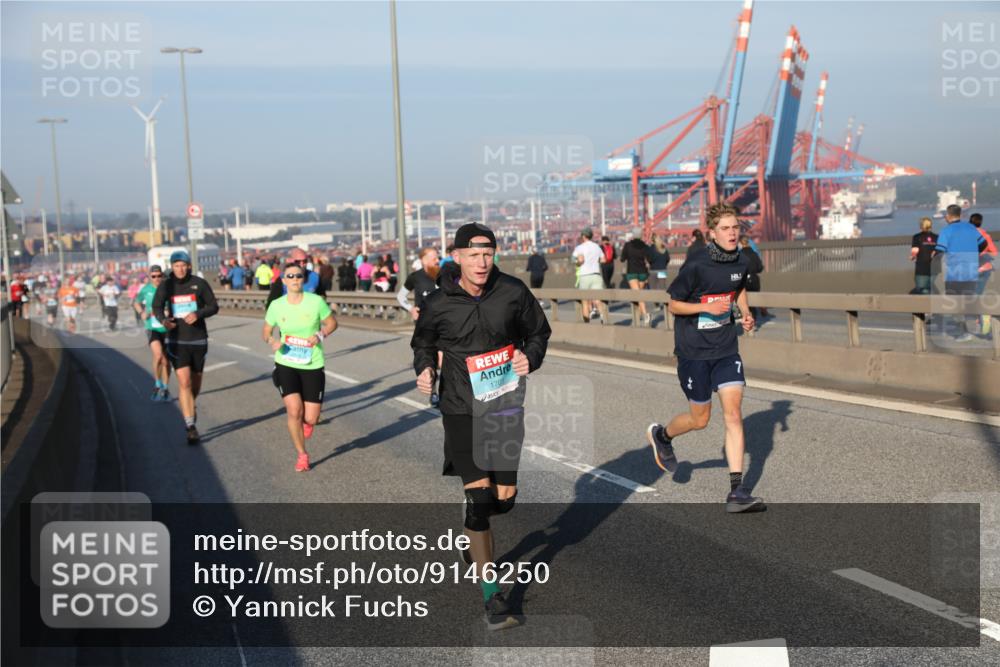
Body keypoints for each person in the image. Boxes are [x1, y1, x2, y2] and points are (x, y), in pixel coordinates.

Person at [411, 222, 551, 630]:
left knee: (503, 499)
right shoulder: (438, 302)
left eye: (488, 254)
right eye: (473, 255)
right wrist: (425, 369)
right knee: (478, 500)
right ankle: (493, 596)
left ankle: (473, 537)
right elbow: (423, 342)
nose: (481, 262)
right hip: (459, 407)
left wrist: (530, 357)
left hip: (504, 406)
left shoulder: (512, 292)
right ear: (457, 257)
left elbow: (538, 332)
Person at [646, 202, 762, 513]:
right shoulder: (697, 263)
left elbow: (738, 287)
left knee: (733, 414)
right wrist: (705, 308)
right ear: (712, 233)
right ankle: (662, 436)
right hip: (694, 351)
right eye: (725, 228)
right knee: (700, 420)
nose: (732, 233)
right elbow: (674, 305)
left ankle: (737, 492)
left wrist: (746, 313)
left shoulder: (742, 259)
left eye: (735, 227)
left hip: (725, 348)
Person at [264, 262, 338, 472]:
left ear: (303, 279)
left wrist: (321, 334)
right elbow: (266, 331)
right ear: (283, 280)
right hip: (286, 362)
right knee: (294, 410)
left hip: (312, 363)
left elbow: (332, 323)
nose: (295, 279)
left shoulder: (315, 302)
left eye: (298, 276)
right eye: (290, 276)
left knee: (311, 417)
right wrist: (272, 341)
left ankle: (308, 423)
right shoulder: (276, 305)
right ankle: (302, 455)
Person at [152, 251, 219, 444]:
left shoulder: (199, 283)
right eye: (176, 266)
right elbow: (156, 306)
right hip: (176, 340)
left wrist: (198, 314)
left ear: (188, 266)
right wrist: (164, 320)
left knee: (195, 385)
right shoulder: (166, 285)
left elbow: (213, 306)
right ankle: (190, 426)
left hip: (198, 339)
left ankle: (190, 404)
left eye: (183, 265)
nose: (180, 269)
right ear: (172, 267)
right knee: (184, 382)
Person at [934, 204, 988, 341]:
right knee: (969, 300)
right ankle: (981, 318)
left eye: (946, 215)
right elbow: (984, 244)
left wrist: (933, 258)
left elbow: (940, 250)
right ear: (960, 214)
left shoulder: (946, 231)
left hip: (955, 273)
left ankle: (963, 332)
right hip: (971, 271)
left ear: (948, 216)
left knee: (955, 303)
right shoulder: (970, 228)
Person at [134, 266, 172, 401]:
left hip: (166, 328)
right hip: (152, 327)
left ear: (162, 276)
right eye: (154, 276)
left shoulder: (168, 288)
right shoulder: (146, 289)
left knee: (166, 361)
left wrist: (169, 313)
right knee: (158, 354)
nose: (157, 278)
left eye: (159, 275)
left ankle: (165, 387)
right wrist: (141, 312)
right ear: (150, 277)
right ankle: (157, 383)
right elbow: (136, 302)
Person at [970, 212, 997, 335]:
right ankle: (981, 317)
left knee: (972, 295)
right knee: (978, 293)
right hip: (984, 268)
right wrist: (984, 254)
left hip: (970, 269)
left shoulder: (967, 235)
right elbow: (994, 252)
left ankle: (981, 317)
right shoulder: (985, 235)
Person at [572, 228, 605, 323]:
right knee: (598, 299)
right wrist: (595, 262)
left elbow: (573, 259)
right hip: (596, 275)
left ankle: (587, 324)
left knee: (585, 301)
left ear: (583, 236)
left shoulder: (580, 248)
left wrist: (578, 262)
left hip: (584, 275)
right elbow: (604, 260)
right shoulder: (597, 247)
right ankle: (603, 319)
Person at [397, 247, 440, 319]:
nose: (438, 261)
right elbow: (400, 296)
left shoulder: (445, 274)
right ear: (424, 261)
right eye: (434, 259)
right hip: (423, 321)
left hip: (443, 321)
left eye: (438, 258)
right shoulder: (415, 277)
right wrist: (411, 309)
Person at [620, 228, 651, 325]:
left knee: (637, 295)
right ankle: (637, 318)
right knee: (639, 295)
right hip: (643, 273)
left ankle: (645, 314)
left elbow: (622, 259)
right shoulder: (645, 246)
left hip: (632, 272)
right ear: (641, 235)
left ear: (633, 235)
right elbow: (650, 259)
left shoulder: (628, 245)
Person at [910, 217, 938, 295]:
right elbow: (939, 251)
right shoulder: (937, 237)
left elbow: (915, 249)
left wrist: (912, 256)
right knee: (933, 290)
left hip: (921, 268)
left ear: (921, 225)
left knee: (922, 290)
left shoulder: (917, 237)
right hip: (934, 268)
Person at [739, 236, 765, 323]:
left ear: (740, 243)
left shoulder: (739, 255)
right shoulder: (754, 254)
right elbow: (760, 268)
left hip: (744, 280)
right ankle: (754, 320)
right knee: (754, 302)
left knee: (745, 301)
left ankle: (748, 321)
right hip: (754, 279)